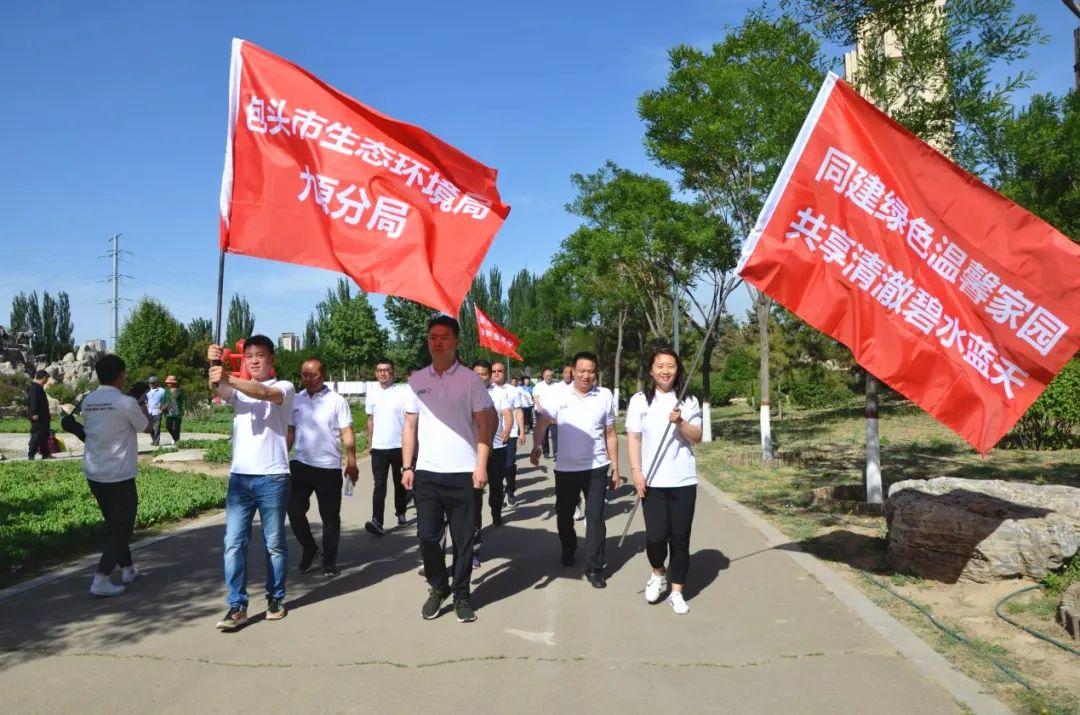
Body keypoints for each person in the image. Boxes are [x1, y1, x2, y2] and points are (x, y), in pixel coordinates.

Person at [402, 315, 495, 623]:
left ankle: (462, 595)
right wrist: (407, 465)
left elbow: (485, 424)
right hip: (428, 473)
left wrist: (481, 466)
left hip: (464, 473)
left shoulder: (470, 380)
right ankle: (438, 587)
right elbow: (410, 426)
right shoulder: (417, 381)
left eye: (444, 337)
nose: (437, 341)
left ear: (455, 342)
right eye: (432, 337)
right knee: (428, 537)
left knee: (464, 539)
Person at [208, 336, 296, 631]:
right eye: (249, 356)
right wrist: (214, 362)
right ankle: (237, 605)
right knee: (233, 543)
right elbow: (218, 389)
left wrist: (228, 375)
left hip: (273, 477)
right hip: (240, 479)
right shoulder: (236, 392)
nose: (254, 360)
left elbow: (262, 393)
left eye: (260, 355)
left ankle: (276, 598)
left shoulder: (284, 387)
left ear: (272, 360)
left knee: (274, 544)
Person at [531, 351, 619, 589]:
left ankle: (594, 567)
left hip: (597, 467)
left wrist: (615, 467)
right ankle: (568, 547)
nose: (586, 376)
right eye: (581, 371)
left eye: (591, 371)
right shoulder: (557, 395)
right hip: (566, 469)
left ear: (596, 373)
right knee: (564, 514)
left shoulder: (605, 395)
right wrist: (537, 446)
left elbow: (610, 433)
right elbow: (542, 423)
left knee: (595, 518)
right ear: (573, 371)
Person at [626, 348, 703, 616]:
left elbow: (697, 437)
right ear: (651, 370)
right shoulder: (639, 401)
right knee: (657, 537)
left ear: (678, 369)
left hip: (683, 480)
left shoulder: (688, 400)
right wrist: (636, 472)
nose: (665, 370)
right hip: (652, 482)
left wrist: (680, 421)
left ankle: (677, 592)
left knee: (680, 539)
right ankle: (658, 573)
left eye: (670, 365)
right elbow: (634, 438)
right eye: (660, 365)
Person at [80, 355, 152, 597]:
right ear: (120, 375)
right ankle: (100, 579)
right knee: (122, 529)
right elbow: (147, 428)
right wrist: (141, 405)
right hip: (118, 475)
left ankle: (128, 569)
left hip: (94, 472)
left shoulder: (88, 400)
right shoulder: (125, 403)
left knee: (114, 525)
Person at [287, 358, 358, 577]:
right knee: (294, 510)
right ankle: (310, 547)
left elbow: (347, 432)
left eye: (313, 375)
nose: (307, 379)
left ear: (323, 375)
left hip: (328, 468)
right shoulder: (295, 400)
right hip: (300, 464)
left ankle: (329, 560)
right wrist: (281, 457)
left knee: (330, 517)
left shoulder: (337, 401)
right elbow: (290, 431)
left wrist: (352, 461)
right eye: (304, 375)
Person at [471, 360, 512, 569]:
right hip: (473, 454)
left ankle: (496, 509)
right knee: (474, 499)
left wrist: (507, 430)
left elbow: (507, 414)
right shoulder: (465, 394)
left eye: (484, 374)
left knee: (495, 486)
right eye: (476, 374)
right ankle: (474, 549)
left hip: (495, 448)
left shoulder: (499, 393)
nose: (481, 377)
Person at [364, 357, 411, 535]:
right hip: (379, 447)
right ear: (376, 373)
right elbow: (370, 420)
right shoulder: (372, 392)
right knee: (379, 485)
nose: (383, 373)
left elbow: (409, 420)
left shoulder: (402, 392)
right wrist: (370, 443)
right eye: (380, 370)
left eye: (387, 370)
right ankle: (377, 521)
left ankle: (401, 512)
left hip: (399, 446)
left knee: (399, 483)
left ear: (393, 372)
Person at [493, 362, 526, 508]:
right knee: (496, 468)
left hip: (511, 433)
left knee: (509, 465)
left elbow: (518, 412)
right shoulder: (486, 390)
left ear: (504, 372)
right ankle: (497, 493)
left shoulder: (513, 390)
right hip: (492, 436)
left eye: (500, 370)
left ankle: (510, 492)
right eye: (493, 371)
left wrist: (522, 431)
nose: (496, 373)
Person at [531, 368, 557, 458]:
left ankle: (556, 452)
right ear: (543, 376)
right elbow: (535, 397)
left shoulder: (556, 386)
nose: (548, 377)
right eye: (547, 376)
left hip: (553, 412)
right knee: (544, 433)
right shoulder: (538, 385)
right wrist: (538, 405)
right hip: (541, 412)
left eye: (550, 376)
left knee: (555, 433)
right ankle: (546, 452)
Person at [27, 370, 51, 460]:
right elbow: (33, 402)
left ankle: (45, 454)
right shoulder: (34, 387)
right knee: (36, 435)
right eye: (47, 378)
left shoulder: (39, 387)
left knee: (44, 435)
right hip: (37, 416)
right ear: (44, 377)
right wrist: (33, 413)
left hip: (43, 417)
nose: (47, 380)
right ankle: (31, 455)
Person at [161, 376, 187, 443]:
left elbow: (183, 401)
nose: (168, 384)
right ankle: (175, 438)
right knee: (168, 426)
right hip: (168, 412)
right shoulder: (166, 391)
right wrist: (163, 407)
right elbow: (164, 400)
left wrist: (185, 409)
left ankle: (177, 440)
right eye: (167, 383)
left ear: (173, 383)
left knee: (177, 428)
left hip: (177, 412)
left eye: (169, 383)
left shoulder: (179, 391)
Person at [144, 376, 166, 446]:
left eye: (152, 383)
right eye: (150, 383)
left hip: (158, 411)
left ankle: (156, 441)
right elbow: (145, 400)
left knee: (156, 427)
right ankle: (154, 440)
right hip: (149, 411)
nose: (151, 384)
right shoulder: (147, 391)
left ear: (156, 383)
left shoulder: (162, 391)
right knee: (150, 427)